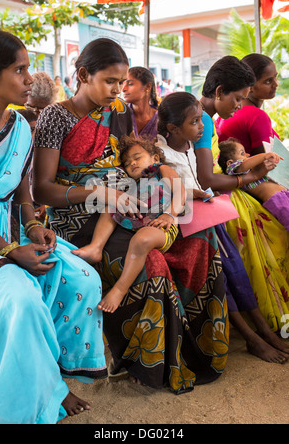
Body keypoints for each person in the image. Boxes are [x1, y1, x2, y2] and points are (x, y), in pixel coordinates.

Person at [33, 37, 229, 393]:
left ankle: (199, 352)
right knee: (150, 262)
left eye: (122, 81)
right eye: (109, 81)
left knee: (202, 243)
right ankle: (141, 362)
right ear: (82, 75)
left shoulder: (119, 111)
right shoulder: (55, 116)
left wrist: (167, 179)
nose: (117, 89)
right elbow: (42, 190)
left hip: (129, 200)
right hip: (78, 213)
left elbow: (134, 158)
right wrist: (99, 192)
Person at [0, 28, 107, 424]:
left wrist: (33, 226)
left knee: (82, 278)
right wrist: (8, 251)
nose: (29, 79)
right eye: (20, 70)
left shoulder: (21, 126)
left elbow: (23, 191)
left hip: (12, 230)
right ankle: (36, 395)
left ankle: (52, 375)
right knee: (21, 300)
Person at [157, 90, 289, 363]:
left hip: (208, 218)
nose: (202, 126)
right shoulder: (160, 153)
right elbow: (168, 191)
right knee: (223, 276)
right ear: (172, 128)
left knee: (237, 271)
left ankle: (263, 330)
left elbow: (209, 178)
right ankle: (252, 337)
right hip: (187, 225)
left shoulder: (192, 147)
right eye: (194, 122)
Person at [194, 55, 289, 339]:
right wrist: (248, 177)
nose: (238, 107)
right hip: (209, 197)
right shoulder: (201, 120)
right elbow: (206, 178)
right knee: (261, 233)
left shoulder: (203, 116)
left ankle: (259, 330)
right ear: (220, 91)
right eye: (236, 99)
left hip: (218, 191)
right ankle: (258, 332)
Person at [71, 136, 184, 313]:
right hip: (136, 220)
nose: (132, 163)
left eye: (137, 157)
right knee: (112, 202)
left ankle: (120, 290)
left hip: (161, 227)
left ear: (154, 158)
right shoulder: (132, 184)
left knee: (142, 239)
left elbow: (180, 190)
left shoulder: (161, 169)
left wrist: (170, 214)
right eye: (127, 162)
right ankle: (95, 247)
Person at [218, 139, 289, 231]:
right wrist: (264, 156)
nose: (247, 155)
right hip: (277, 200)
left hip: (284, 194)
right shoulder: (236, 170)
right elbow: (243, 165)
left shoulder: (252, 170)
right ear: (230, 163)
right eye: (242, 153)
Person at [216, 54, 279, 156]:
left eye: (275, 77)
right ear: (250, 85)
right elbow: (267, 164)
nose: (276, 84)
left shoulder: (228, 112)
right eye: (268, 81)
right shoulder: (257, 116)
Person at [122, 66, 159, 140]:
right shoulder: (120, 115)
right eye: (123, 83)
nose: (123, 89)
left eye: (130, 84)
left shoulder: (161, 119)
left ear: (147, 87)